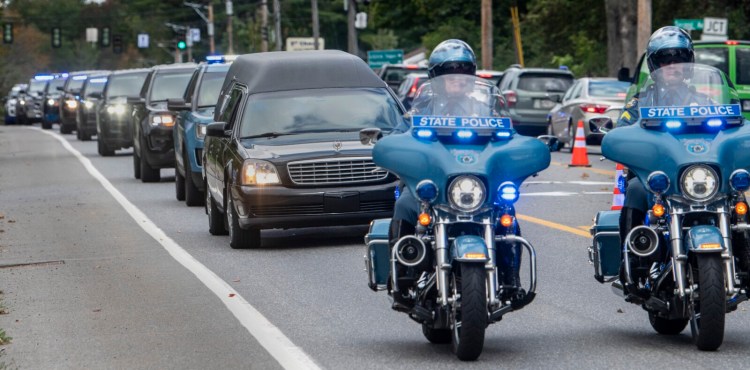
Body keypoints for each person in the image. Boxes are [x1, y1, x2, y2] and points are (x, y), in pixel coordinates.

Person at [388, 39, 523, 310]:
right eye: (450, 74)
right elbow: (399, 133)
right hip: (431, 187)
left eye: (463, 74)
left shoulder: (487, 109)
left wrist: (521, 145)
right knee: (403, 204)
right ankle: (403, 277)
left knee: (508, 217)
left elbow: (510, 136)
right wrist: (394, 142)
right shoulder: (421, 108)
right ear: (436, 77)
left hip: (475, 186)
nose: (458, 80)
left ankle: (511, 279)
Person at [615, 26, 704, 294]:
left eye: (679, 59)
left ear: (689, 63)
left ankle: (742, 259)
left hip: (696, 177)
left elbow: (729, 130)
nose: (673, 66)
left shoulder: (704, 102)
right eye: (666, 60)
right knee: (633, 189)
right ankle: (631, 262)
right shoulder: (640, 103)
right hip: (654, 178)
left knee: (736, 197)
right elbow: (621, 132)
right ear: (655, 64)